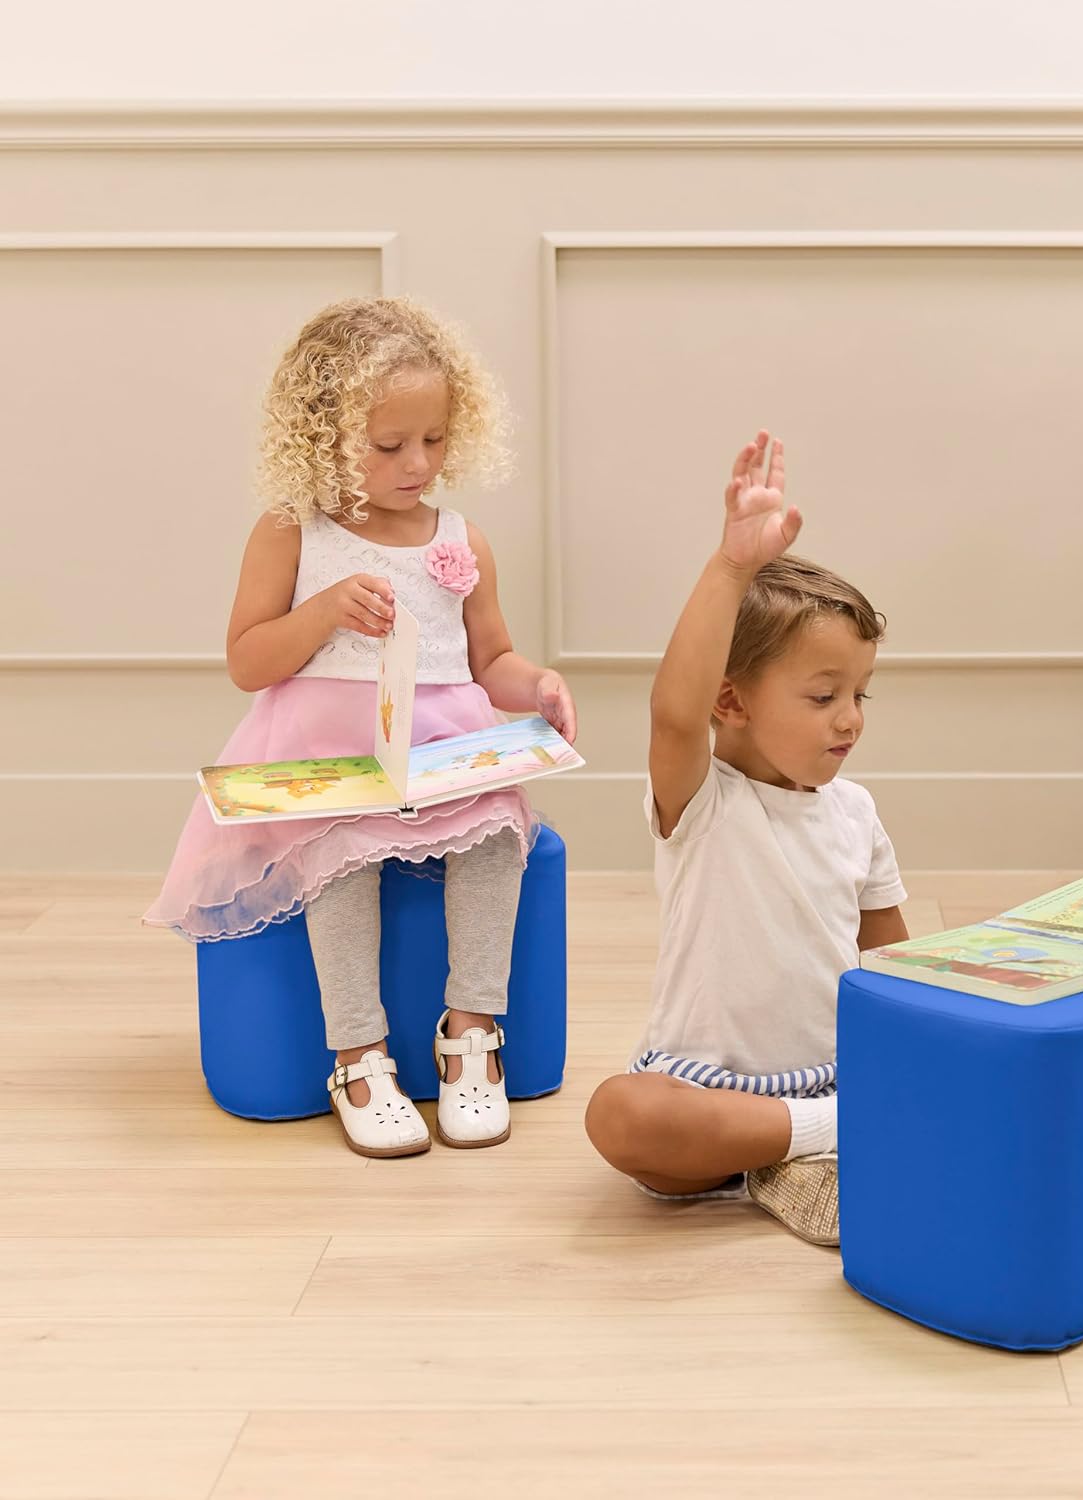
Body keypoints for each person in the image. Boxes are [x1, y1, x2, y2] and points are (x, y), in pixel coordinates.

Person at [145, 297, 576, 1159]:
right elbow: (248, 660)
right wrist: (324, 611)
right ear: (325, 434)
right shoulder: (290, 533)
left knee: (496, 839)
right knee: (339, 859)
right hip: (327, 761)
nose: (418, 463)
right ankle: (360, 1054)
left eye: (435, 439)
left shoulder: (463, 540)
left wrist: (537, 685)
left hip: (444, 757)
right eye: (389, 446)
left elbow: (491, 658)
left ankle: (471, 1032)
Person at [585, 431, 908, 1244]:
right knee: (620, 1117)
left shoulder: (857, 815)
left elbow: (894, 966)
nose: (851, 719)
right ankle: (814, 1145)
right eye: (825, 695)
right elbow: (672, 711)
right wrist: (732, 567)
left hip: (835, 1075)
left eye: (862, 694)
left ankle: (794, 1154)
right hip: (709, 1090)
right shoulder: (703, 803)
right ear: (731, 702)